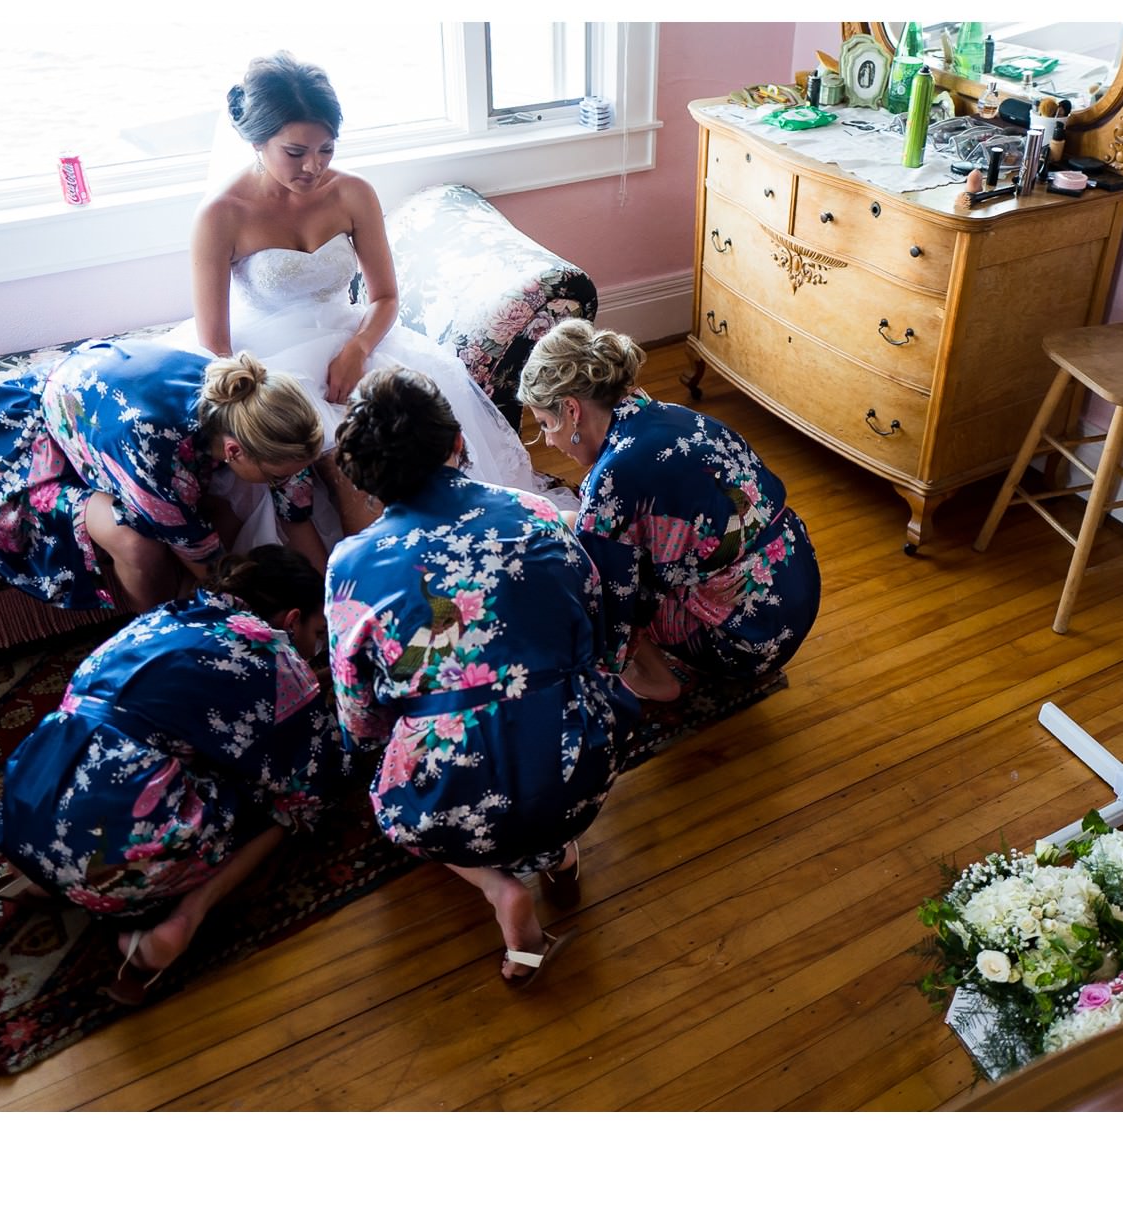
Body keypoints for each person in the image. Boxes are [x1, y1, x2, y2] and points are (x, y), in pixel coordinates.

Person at [180, 50, 573, 552]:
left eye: (326, 148)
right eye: (295, 152)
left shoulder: (352, 194)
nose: (314, 166)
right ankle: (370, 566)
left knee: (414, 421)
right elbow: (215, 345)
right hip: (266, 362)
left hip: (350, 337)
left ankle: (448, 546)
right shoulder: (221, 214)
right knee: (334, 447)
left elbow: (385, 296)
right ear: (257, 141)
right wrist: (268, 395)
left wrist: (357, 349)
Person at [325, 366, 638, 987]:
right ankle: (561, 850)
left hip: (454, 787)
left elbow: (359, 716)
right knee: (540, 741)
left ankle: (501, 891)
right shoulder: (538, 511)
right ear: (457, 445)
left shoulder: (352, 563)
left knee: (395, 800)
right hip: (579, 759)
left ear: (363, 477)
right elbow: (599, 632)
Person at [0, 545, 349, 1001]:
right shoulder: (273, 657)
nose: (316, 647)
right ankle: (182, 919)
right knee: (289, 807)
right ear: (291, 620)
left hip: (21, 820)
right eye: (318, 632)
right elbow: (318, 772)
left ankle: (44, 879)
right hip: (117, 855)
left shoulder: (162, 618)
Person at [518, 319, 822, 702]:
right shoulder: (674, 416)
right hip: (795, 590)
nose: (547, 441)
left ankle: (659, 680)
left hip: (747, 639)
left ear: (572, 410)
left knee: (575, 563)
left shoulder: (613, 478)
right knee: (590, 531)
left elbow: (611, 594)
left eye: (545, 424)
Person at [0, 338, 328, 613]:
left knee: (224, 518)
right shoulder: (153, 447)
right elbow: (211, 568)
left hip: (109, 424)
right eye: (275, 475)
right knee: (138, 545)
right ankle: (159, 630)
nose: (282, 481)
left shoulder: (257, 417)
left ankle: (185, 609)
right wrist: (260, 619)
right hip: (39, 445)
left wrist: (325, 598)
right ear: (234, 451)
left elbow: (296, 515)